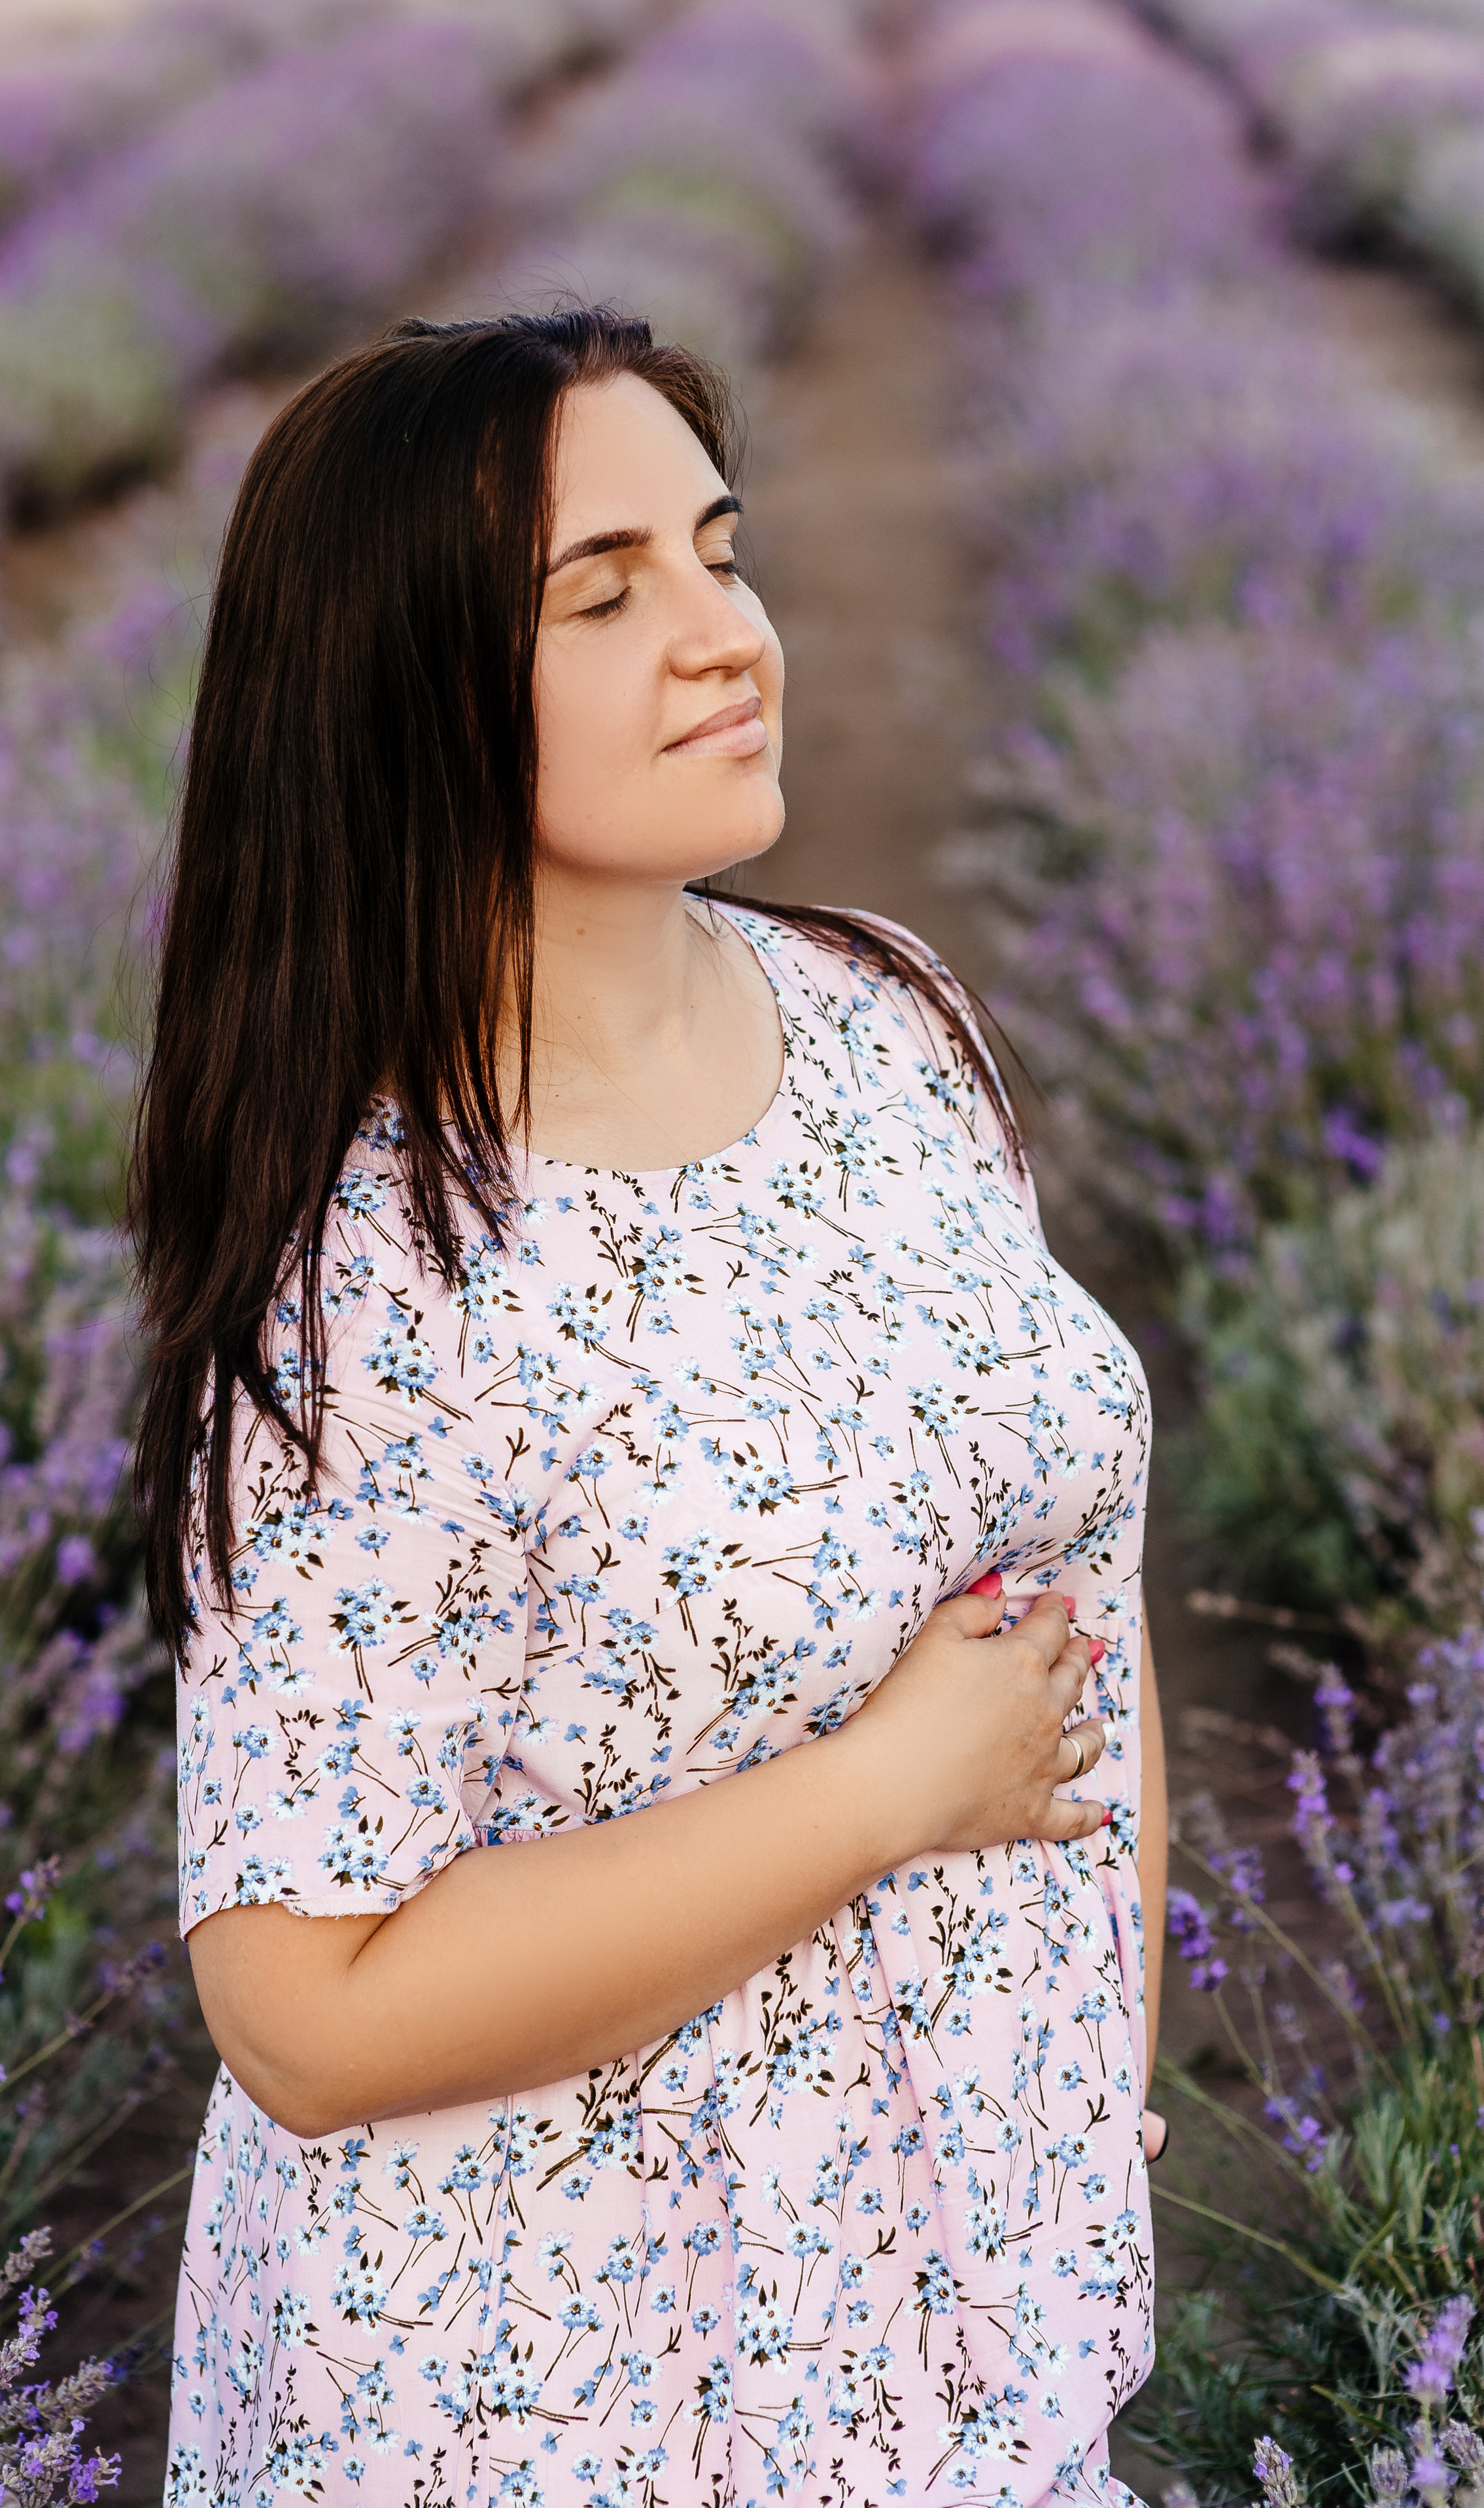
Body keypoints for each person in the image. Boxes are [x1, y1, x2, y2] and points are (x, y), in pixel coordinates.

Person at [131, 305, 1168, 2508]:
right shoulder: (372, 1275)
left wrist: (1084, 2071)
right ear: (404, 694)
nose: (723, 635)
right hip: (561, 2382)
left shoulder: (885, 1018)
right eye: (604, 597)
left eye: (720, 551)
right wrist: (889, 1784)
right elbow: (302, 2008)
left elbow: (1071, 1559)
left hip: (950, 2306)